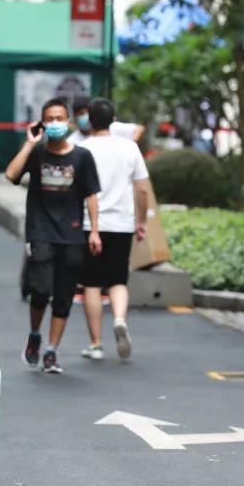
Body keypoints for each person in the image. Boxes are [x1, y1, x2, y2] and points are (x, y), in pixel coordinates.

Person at [5, 97, 101, 374]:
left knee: (63, 296)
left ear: (69, 122)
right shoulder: (36, 153)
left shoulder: (82, 157)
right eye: (50, 119)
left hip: (72, 235)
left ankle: (52, 351)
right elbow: (11, 175)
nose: (56, 123)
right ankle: (35, 334)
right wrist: (30, 143)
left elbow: (91, 195)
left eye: (60, 118)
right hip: (41, 231)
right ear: (42, 123)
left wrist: (94, 230)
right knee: (41, 290)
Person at [79, 98, 150, 362]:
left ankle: (96, 344)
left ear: (89, 121)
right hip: (122, 223)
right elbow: (142, 189)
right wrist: (141, 221)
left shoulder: (81, 148)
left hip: (89, 224)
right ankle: (119, 319)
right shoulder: (129, 148)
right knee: (118, 280)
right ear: (114, 120)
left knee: (92, 284)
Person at [68, 95, 144, 145]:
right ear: (74, 117)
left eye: (88, 113)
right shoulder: (73, 143)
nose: (86, 117)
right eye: (81, 114)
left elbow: (139, 128)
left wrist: (130, 146)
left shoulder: (111, 127)